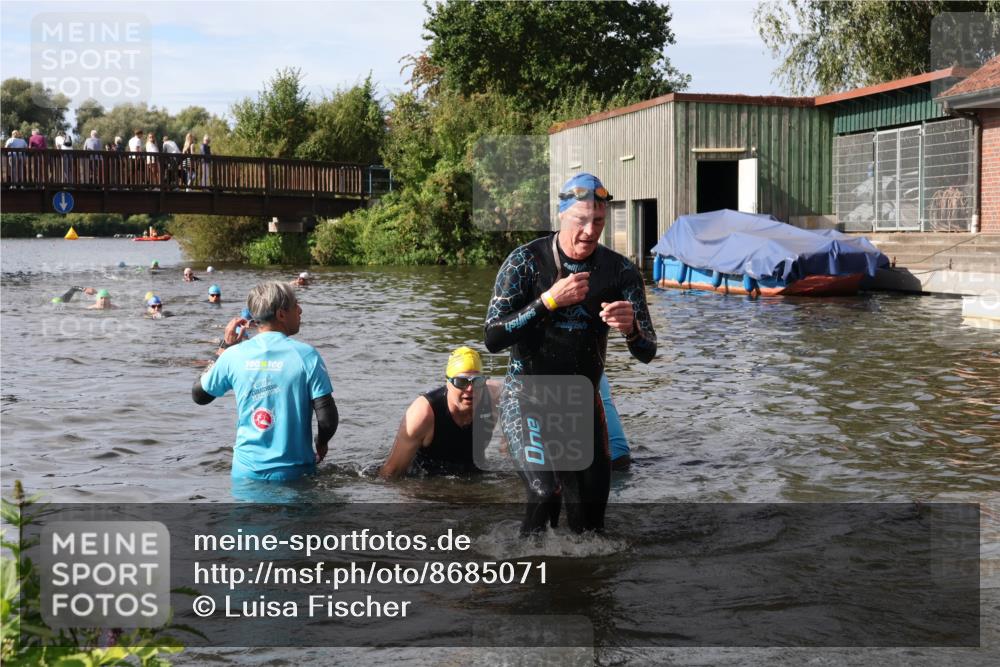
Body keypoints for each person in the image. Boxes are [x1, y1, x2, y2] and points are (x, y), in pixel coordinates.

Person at [484, 172, 656, 535]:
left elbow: (646, 352)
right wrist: (548, 301)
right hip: (526, 397)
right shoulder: (525, 262)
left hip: (581, 404)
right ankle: (525, 574)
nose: (590, 231)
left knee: (591, 526)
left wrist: (631, 329)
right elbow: (493, 337)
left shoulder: (620, 271)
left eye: (598, 221)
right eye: (581, 220)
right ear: (561, 215)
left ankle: (579, 586)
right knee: (546, 493)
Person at [191, 281, 338, 481]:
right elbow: (327, 419)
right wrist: (322, 443)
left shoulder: (233, 355)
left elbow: (199, 396)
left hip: (246, 475)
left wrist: (223, 348)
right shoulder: (306, 355)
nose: (301, 310)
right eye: (296, 304)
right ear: (281, 314)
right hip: (294, 475)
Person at [380, 347, 499, 479]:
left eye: (477, 381)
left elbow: (523, 400)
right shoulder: (423, 413)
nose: (470, 388)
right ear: (447, 382)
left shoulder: (494, 395)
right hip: (428, 481)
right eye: (461, 382)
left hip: (474, 474)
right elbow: (390, 475)